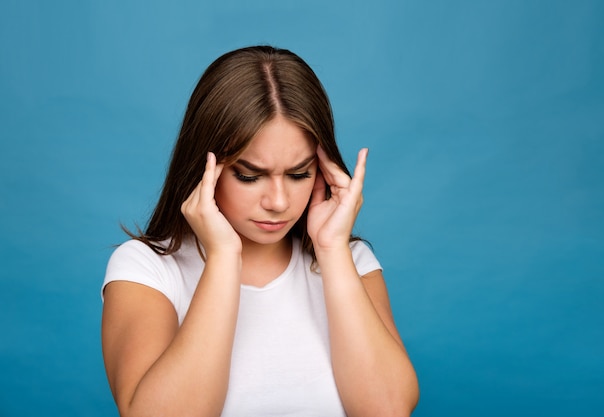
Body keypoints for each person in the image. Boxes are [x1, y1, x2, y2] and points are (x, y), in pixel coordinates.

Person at [101, 45, 419, 417]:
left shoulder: (350, 263)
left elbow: (387, 409)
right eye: (250, 176)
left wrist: (332, 250)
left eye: (300, 173)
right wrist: (222, 258)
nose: (279, 201)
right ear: (206, 167)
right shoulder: (146, 269)